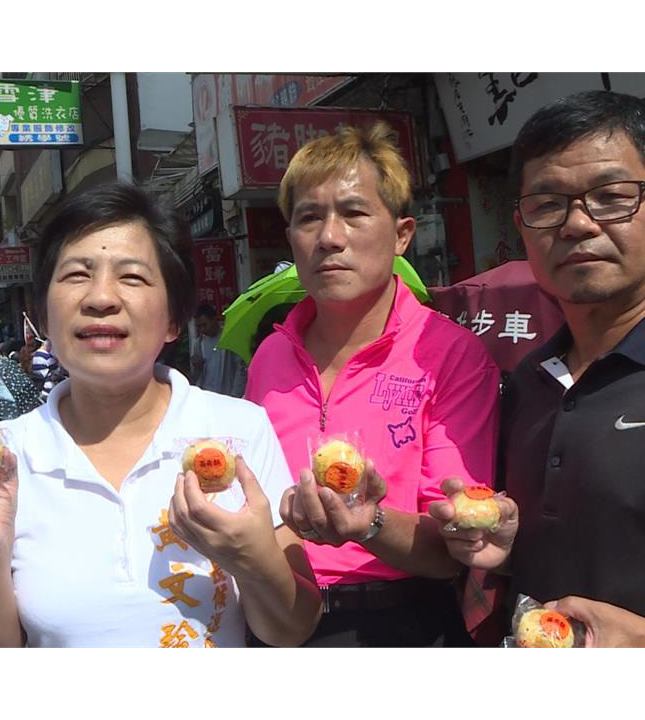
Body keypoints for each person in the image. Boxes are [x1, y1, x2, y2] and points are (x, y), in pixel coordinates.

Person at [0, 183, 323, 647]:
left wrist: (253, 560)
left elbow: (293, 630)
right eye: (77, 275)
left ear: (171, 319)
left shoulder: (238, 431)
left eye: (132, 277)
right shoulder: (4, 459)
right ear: (43, 316)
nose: (100, 298)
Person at [244, 123, 501, 646]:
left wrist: (369, 522)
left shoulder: (450, 355)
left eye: (354, 213)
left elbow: (453, 546)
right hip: (274, 615)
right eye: (308, 217)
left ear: (403, 233)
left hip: (399, 622)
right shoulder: (270, 354)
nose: (329, 237)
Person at [430, 91, 645, 647]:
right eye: (548, 204)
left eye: (611, 197)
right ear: (521, 226)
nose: (577, 224)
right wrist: (503, 548)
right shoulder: (528, 382)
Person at [190, 304, 246, 396]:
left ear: (214, 319)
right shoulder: (199, 344)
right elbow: (196, 375)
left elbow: (240, 369)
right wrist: (197, 368)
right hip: (207, 396)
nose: (202, 329)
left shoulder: (229, 338)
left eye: (204, 325)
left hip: (227, 394)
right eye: (199, 327)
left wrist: (235, 395)